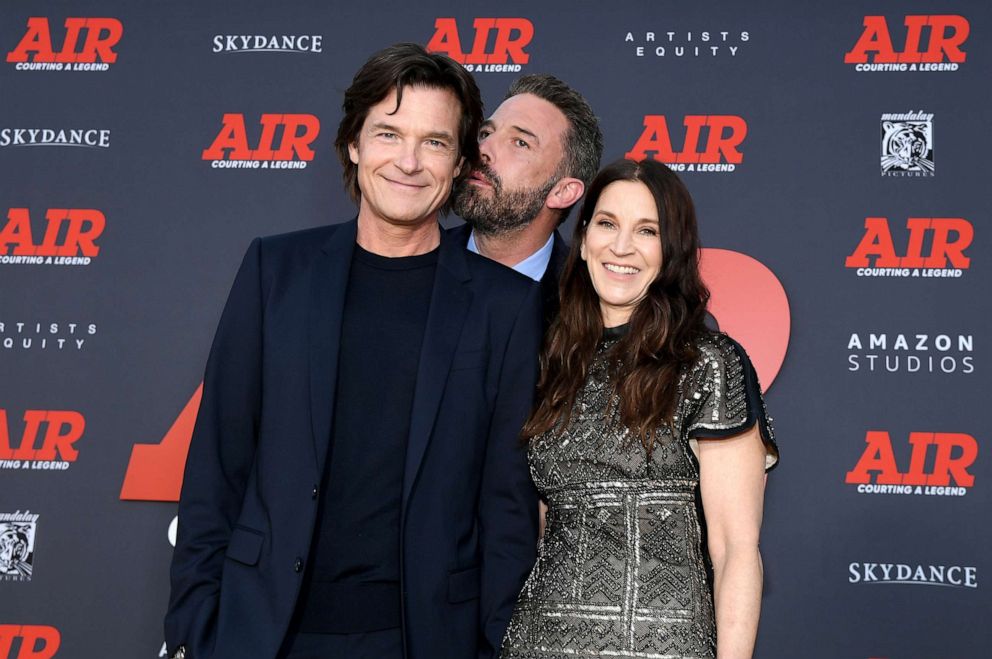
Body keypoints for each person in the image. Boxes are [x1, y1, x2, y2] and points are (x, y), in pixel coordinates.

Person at [164, 43, 542, 659]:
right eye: (389, 133)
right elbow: (217, 465)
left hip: (421, 639)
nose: (409, 162)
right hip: (263, 633)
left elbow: (507, 510)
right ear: (354, 144)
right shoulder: (275, 272)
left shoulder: (504, 306)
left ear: (459, 163)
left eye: (436, 142)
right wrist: (193, 629)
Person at [500, 158, 779, 659]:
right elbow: (541, 527)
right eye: (607, 224)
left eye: (646, 231)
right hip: (539, 641)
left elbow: (736, 550)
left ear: (670, 252)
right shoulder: (549, 360)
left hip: (665, 644)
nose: (621, 246)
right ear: (583, 240)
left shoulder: (709, 364)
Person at [451, 74, 603, 328]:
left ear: (563, 192)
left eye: (520, 143)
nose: (482, 150)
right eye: (486, 133)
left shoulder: (591, 303)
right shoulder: (419, 267)